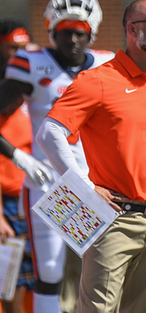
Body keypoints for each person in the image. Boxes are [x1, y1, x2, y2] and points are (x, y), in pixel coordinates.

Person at [36, 0, 146, 313]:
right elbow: (50, 132)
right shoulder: (98, 80)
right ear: (132, 29)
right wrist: (83, 187)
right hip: (113, 220)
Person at [0, 0, 114, 313]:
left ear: (91, 32)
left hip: (93, 187)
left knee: (100, 271)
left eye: (80, 31)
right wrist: (17, 155)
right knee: (48, 273)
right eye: (66, 31)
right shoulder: (32, 63)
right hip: (48, 185)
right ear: (52, 30)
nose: (73, 39)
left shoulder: (107, 65)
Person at [0, 21, 36, 313]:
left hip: (34, 198)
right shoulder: (4, 96)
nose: (18, 54)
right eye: (12, 47)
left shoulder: (33, 91)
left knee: (37, 281)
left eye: (24, 48)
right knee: (7, 286)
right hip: (6, 203)